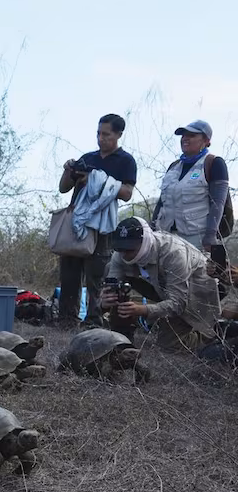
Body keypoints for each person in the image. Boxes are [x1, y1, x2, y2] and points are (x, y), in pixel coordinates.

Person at [55, 114, 138, 327]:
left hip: (102, 224)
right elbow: (64, 188)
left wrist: (96, 180)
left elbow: (127, 192)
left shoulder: (126, 161)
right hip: (77, 220)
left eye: (106, 134)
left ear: (118, 135)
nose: (101, 138)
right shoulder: (88, 157)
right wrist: (70, 171)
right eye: (98, 133)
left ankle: (94, 318)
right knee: (70, 271)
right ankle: (66, 318)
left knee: (97, 273)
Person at [102, 217, 219, 352]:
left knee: (169, 345)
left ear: (144, 242)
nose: (124, 254)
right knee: (111, 274)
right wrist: (105, 302)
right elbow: (110, 287)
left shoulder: (174, 253)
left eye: (130, 249)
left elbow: (178, 303)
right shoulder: (121, 254)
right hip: (161, 288)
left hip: (196, 293)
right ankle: (121, 331)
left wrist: (143, 310)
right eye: (121, 249)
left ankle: (211, 334)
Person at [152, 120, 230, 255]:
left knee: (197, 275)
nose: (185, 138)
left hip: (197, 240)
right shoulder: (173, 167)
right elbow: (162, 202)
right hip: (165, 237)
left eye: (192, 135)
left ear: (206, 140)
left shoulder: (214, 163)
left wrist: (210, 236)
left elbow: (218, 203)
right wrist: (152, 228)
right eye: (183, 135)